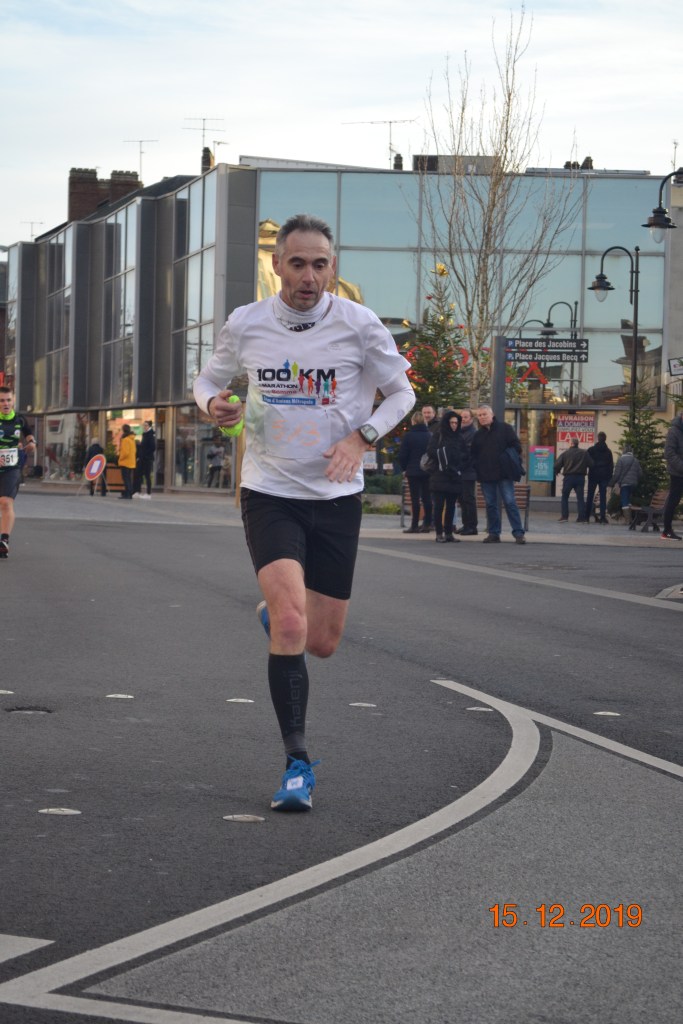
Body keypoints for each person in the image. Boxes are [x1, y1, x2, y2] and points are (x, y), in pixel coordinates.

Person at [193, 213, 415, 812]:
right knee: (293, 627)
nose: (310, 277)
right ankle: (296, 766)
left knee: (321, 642)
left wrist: (362, 438)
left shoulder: (360, 325)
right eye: (298, 264)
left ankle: (279, 615)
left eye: (320, 264)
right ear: (278, 266)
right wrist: (214, 403)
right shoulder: (247, 323)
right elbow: (207, 381)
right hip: (270, 490)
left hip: (337, 497)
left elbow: (403, 393)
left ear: (332, 267)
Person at [470, 404, 526, 544]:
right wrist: (477, 467)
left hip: (504, 473)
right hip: (486, 475)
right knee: (491, 504)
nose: (482, 417)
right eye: (480, 415)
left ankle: (518, 533)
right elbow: (473, 455)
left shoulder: (505, 429)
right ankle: (494, 533)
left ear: (492, 415)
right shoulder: (478, 435)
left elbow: (516, 446)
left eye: (484, 414)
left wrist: (505, 459)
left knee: (510, 502)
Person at [0, 385, 36, 558]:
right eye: (1, 401)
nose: (5, 404)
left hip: (11, 467)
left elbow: (28, 434)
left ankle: (3, 541)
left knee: (6, 502)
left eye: (8, 400)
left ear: (13, 400)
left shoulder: (20, 419)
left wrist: (31, 443)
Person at [425, 410, 472, 542]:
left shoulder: (459, 437)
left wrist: (458, 465)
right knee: (439, 506)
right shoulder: (438, 435)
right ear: (446, 423)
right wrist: (444, 457)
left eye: (456, 423)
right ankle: (439, 533)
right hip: (439, 475)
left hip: (454, 476)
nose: (454, 425)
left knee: (451, 507)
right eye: (451, 422)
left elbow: (466, 455)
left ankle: (449, 533)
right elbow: (430, 451)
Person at [398, 410, 432, 533]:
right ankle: (427, 524)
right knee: (427, 498)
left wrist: (404, 468)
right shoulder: (430, 435)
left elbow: (402, 455)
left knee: (415, 498)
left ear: (413, 422)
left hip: (413, 471)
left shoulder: (409, 436)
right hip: (428, 471)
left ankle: (414, 525)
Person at [554, 438, 594, 523]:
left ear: (571, 444)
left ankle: (565, 516)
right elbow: (591, 464)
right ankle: (581, 518)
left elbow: (557, 465)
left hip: (569, 477)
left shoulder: (565, 453)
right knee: (580, 498)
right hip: (580, 478)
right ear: (577, 444)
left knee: (565, 497)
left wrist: (557, 471)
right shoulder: (584, 453)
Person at [455, 407, 478, 535]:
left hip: (468, 471)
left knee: (468, 499)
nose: (463, 419)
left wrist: (460, 466)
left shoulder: (473, 433)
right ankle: (466, 524)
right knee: (462, 499)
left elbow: (470, 454)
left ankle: (472, 526)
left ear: (471, 419)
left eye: (465, 417)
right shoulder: (459, 432)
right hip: (460, 471)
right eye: (461, 417)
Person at [661, 410, 683, 540]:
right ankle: (667, 531)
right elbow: (669, 453)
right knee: (673, 501)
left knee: (674, 500)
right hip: (677, 473)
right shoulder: (673, 431)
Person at [585, 432, 614, 524]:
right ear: (605, 439)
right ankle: (602, 517)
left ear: (598, 438)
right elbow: (611, 466)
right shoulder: (608, 451)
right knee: (603, 497)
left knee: (590, 496)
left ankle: (586, 517)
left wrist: (589, 470)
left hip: (593, 475)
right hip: (604, 477)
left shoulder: (591, 450)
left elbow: (586, 462)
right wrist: (609, 477)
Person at [609, 444, 643, 517]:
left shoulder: (621, 460)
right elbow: (640, 473)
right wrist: (635, 479)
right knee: (628, 500)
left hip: (624, 484)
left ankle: (628, 520)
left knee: (624, 501)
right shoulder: (635, 460)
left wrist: (611, 483)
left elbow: (617, 474)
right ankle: (630, 518)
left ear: (623, 451)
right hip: (633, 484)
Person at [133, 420, 156, 499]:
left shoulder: (150, 435)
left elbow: (153, 447)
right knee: (138, 474)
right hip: (142, 458)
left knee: (147, 475)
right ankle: (137, 491)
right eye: (144, 425)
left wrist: (145, 455)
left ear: (149, 426)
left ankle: (148, 493)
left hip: (147, 459)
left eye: (146, 425)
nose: (144, 427)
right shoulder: (145, 434)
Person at [117, 423, 136, 499]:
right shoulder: (132, 440)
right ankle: (130, 493)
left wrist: (120, 458)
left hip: (125, 462)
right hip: (131, 462)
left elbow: (125, 452)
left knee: (126, 479)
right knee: (129, 478)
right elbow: (134, 451)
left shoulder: (125, 440)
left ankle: (127, 494)